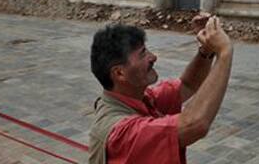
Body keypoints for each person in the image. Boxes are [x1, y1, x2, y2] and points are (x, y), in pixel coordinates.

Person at [88, 16, 233, 164]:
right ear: (119, 73)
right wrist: (224, 53)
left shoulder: (141, 98)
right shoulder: (121, 132)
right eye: (143, 53)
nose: (153, 57)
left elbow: (188, 85)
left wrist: (206, 51)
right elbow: (194, 125)